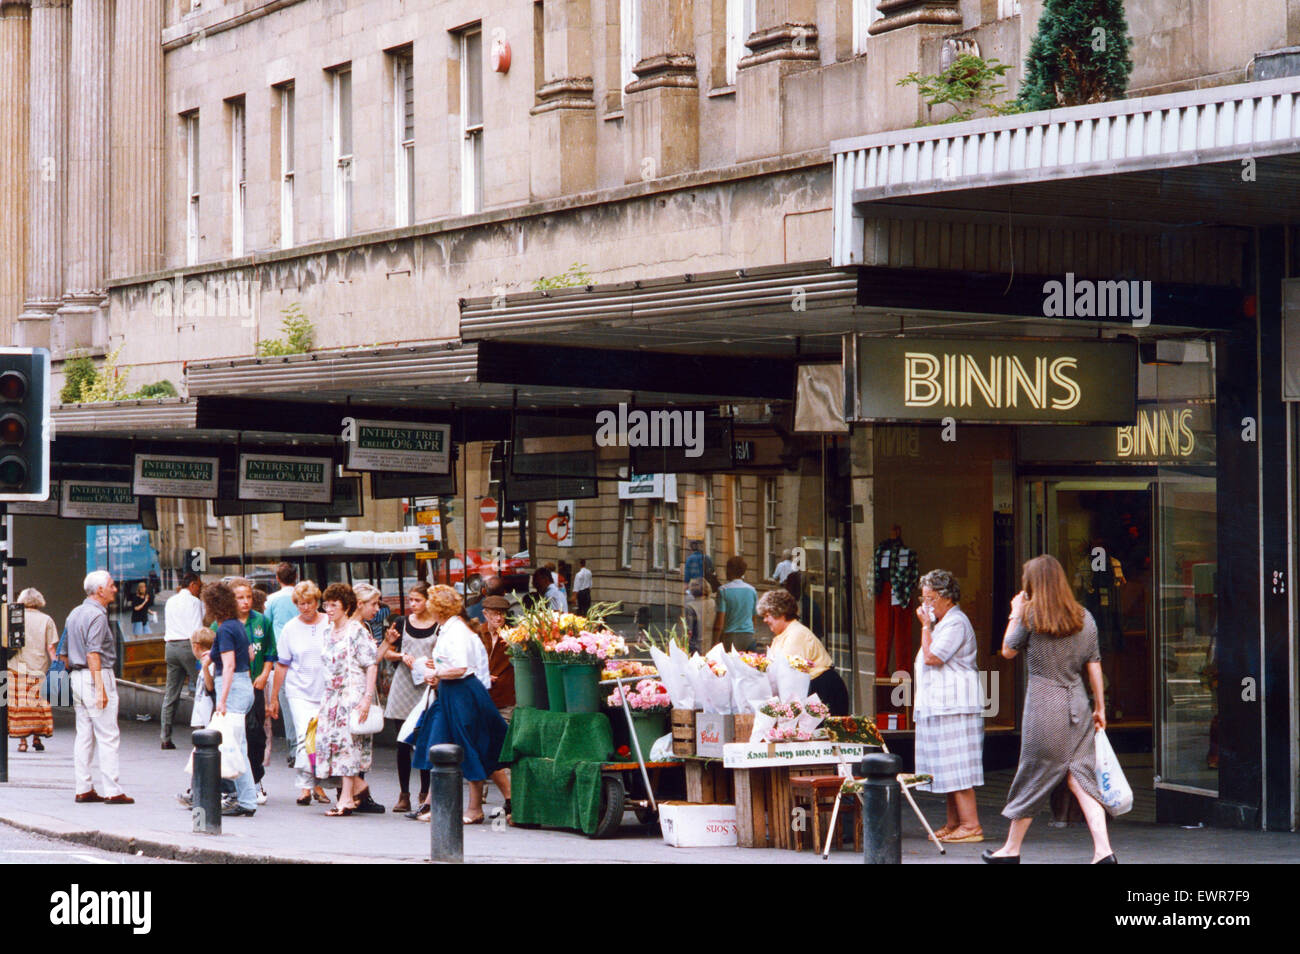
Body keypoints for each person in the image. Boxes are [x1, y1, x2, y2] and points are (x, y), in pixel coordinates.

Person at [985, 555, 1116, 864]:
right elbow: (1094, 664)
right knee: (1080, 776)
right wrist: (1100, 707)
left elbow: (1006, 650)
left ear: (1033, 584)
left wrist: (1014, 614)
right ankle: (1103, 851)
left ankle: (1011, 850)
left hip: (1045, 704)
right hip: (1076, 704)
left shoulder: (1030, 617)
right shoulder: (1084, 617)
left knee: (1034, 773)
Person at [406, 585, 510, 824]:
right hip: (452, 692)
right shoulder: (449, 629)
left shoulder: (456, 632)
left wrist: (438, 673)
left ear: (437, 608)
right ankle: (436, 804)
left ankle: (475, 808)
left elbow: (461, 667)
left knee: (469, 746)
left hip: (462, 692)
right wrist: (438, 671)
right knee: (438, 744)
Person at [910, 569, 984, 844]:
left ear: (944, 597)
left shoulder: (955, 623)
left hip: (955, 704)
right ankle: (955, 823)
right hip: (941, 704)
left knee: (958, 766)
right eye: (923, 597)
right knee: (946, 766)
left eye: (929, 598)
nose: (925, 603)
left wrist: (925, 627)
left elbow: (932, 657)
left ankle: (971, 825)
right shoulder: (945, 622)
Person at [66, 571, 132, 804]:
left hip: (77, 677)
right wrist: (101, 689)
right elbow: (93, 653)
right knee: (108, 735)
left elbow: (64, 653)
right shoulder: (97, 616)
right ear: (100, 590)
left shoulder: (75, 613)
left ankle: (83, 787)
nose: (115, 589)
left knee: (84, 735)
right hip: (97, 675)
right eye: (112, 585)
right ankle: (113, 790)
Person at [314, 583, 379, 817]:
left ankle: (347, 798)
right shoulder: (326, 632)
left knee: (348, 746)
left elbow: (371, 663)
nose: (329, 609)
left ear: (346, 606)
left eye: (334, 605)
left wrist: (366, 697)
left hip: (351, 693)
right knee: (331, 745)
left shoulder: (356, 630)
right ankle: (353, 792)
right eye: (326, 605)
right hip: (331, 695)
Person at [267, 580, 330, 806]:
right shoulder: (290, 628)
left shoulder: (329, 624)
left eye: (309, 602)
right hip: (299, 690)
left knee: (321, 739)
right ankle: (306, 787)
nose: (305, 607)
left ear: (317, 602)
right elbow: (282, 665)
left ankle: (318, 783)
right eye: (300, 604)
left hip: (325, 690)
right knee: (305, 736)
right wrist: (274, 697)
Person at [381, 582, 439, 815]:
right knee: (403, 742)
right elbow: (386, 652)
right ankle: (403, 793)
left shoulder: (438, 625)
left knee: (425, 739)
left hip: (426, 684)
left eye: (417, 600)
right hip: (404, 683)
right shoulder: (402, 623)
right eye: (411, 600)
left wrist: (436, 663)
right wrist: (401, 655)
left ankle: (424, 792)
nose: (413, 604)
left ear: (428, 601)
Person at [202, 581, 258, 817]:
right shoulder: (237, 626)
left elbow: (229, 665)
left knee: (233, 748)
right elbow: (250, 654)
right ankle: (242, 797)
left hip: (232, 688)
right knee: (236, 746)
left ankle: (244, 800)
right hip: (243, 685)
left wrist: (221, 700)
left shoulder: (224, 629)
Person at [757, 589, 850, 716]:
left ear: (780, 613)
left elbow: (787, 675)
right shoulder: (782, 635)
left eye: (767, 616)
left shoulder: (796, 634)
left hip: (823, 691)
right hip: (813, 690)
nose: (765, 620)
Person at [227, 578, 274, 804]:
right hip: (234, 688)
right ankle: (232, 783)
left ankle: (256, 779)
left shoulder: (262, 622)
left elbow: (270, 652)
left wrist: (265, 674)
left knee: (256, 735)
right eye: (240, 598)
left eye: (248, 597)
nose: (245, 602)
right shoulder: (224, 624)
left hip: (255, 686)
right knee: (235, 735)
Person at [7, 588, 59, 752]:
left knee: (19, 705)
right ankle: (37, 738)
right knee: (38, 705)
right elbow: (51, 648)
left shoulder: (15, 618)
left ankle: (22, 742)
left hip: (17, 667)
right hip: (39, 667)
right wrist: (57, 667)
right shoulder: (47, 620)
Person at [160, 572, 203, 750]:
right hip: (188, 646)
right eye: (199, 586)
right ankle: (205, 731)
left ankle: (165, 736)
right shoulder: (194, 602)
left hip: (170, 647)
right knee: (204, 688)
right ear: (192, 585)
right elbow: (197, 629)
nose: (199, 590)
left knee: (171, 694)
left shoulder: (170, 601)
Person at [263, 562, 301, 763]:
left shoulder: (272, 600)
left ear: (277, 579)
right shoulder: (301, 597)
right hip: (302, 655)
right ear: (295, 577)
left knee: (286, 704)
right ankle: (303, 747)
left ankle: (294, 748)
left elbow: (267, 627)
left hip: (282, 657)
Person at [479, 595, 516, 724]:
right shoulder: (476, 633)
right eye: (495, 614)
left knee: (503, 736)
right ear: (485, 614)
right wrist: (482, 675)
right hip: (480, 696)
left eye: (502, 614)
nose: (499, 618)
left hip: (505, 698)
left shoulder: (514, 635)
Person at [714, 556, 758, 651]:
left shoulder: (723, 590)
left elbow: (720, 622)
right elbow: (754, 617)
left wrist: (715, 642)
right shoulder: (752, 590)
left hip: (730, 636)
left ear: (729, 570)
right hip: (748, 636)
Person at [684, 578, 716, 655]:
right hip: (710, 642)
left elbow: (689, 630)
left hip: (696, 645)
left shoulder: (690, 606)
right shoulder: (713, 603)